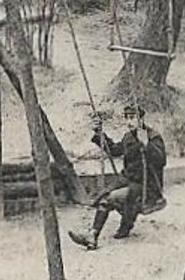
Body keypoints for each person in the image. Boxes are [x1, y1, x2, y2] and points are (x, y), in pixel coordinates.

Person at [67, 103, 166, 250]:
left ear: (141, 119)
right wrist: (99, 134)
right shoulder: (128, 137)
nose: (129, 122)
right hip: (128, 181)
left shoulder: (153, 137)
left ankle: (92, 236)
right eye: (127, 118)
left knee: (110, 198)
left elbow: (161, 160)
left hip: (146, 187)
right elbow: (114, 150)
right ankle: (125, 225)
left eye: (132, 118)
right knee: (103, 195)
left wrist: (147, 145)